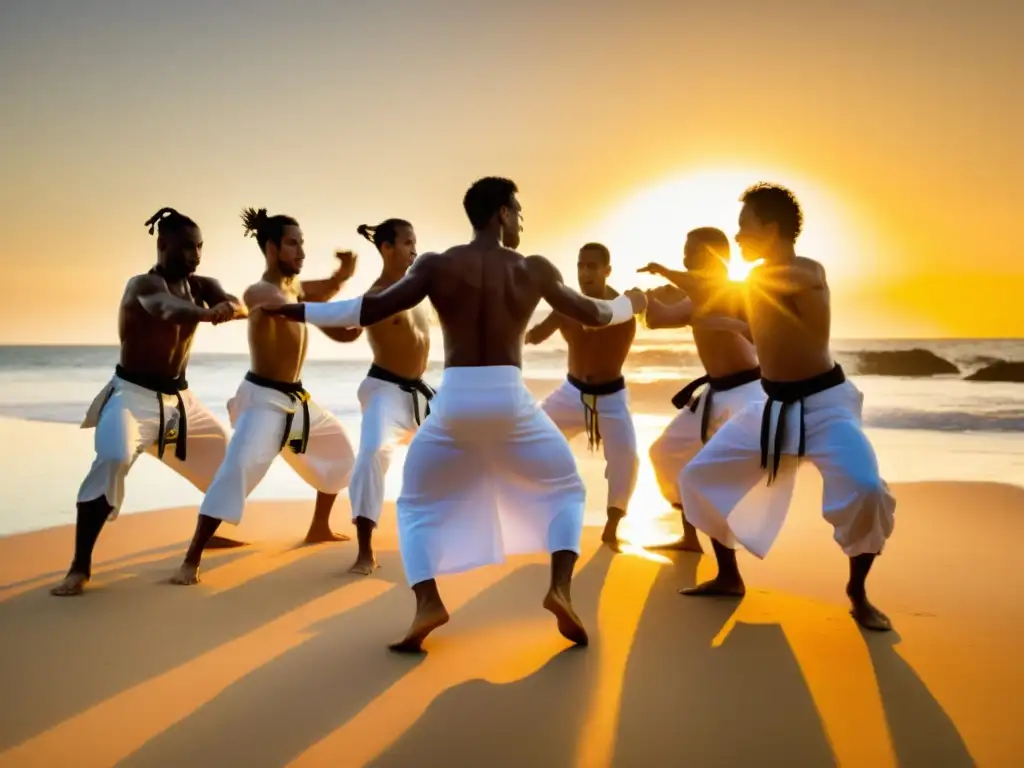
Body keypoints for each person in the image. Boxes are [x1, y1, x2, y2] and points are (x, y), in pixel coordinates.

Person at [259, 177, 647, 652]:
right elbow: (593, 313)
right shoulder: (535, 268)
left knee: (417, 504)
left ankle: (427, 602)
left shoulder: (437, 265)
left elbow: (369, 307)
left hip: (456, 399)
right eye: (518, 211)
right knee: (565, 488)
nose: (521, 220)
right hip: (510, 397)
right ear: (501, 213)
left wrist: (297, 312)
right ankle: (560, 588)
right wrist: (634, 303)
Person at [676, 183, 896, 632]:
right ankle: (728, 576)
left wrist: (676, 275)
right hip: (770, 404)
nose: (737, 237)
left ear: (771, 227)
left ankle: (858, 591)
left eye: (744, 226)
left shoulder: (806, 271)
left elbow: (771, 286)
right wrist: (734, 322)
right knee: (697, 478)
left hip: (825, 406)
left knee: (866, 489)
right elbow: (769, 335)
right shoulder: (758, 283)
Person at [50, 207, 247, 596]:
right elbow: (167, 309)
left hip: (180, 401)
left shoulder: (202, 283)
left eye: (200, 247)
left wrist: (227, 307)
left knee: (231, 465)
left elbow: (236, 303)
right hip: (132, 397)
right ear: (162, 245)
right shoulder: (141, 284)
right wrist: (209, 315)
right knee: (112, 459)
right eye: (187, 247)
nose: (195, 256)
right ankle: (79, 567)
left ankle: (202, 546)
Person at [169, 208, 360, 586]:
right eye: (293, 243)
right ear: (272, 248)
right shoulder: (259, 291)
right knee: (237, 471)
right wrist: (335, 323)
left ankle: (319, 528)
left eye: (302, 243)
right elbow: (296, 307)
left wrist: (342, 276)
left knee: (340, 451)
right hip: (263, 399)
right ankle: (190, 559)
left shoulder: (295, 288)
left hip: (297, 399)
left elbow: (318, 295)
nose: (302, 251)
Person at [638, 227, 764, 553]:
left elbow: (709, 290)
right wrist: (649, 297)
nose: (683, 257)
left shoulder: (735, 290)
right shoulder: (696, 297)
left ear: (709, 256)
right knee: (666, 453)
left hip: (748, 394)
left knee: (708, 474)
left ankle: (728, 564)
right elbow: (659, 320)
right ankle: (690, 538)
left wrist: (667, 272)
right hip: (714, 393)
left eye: (690, 251)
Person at [525, 243, 639, 544]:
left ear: (607, 270)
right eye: (580, 266)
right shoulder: (567, 305)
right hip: (571, 392)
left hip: (611, 397)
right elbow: (536, 334)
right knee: (528, 436)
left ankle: (613, 526)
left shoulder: (620, 308)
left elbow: (599, 321)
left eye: (592, 266)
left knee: (626, 458)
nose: (585, 272)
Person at [346, 218, 434, 576]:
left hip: (421, 392)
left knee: (473, 439)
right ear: (386, 248)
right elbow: (346, 324)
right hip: (385, 391)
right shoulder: (376, 297)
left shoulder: (420, 291)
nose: (415, 249)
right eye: (407, 242)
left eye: (416, 241)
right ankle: (364, 551)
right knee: (371, 454)